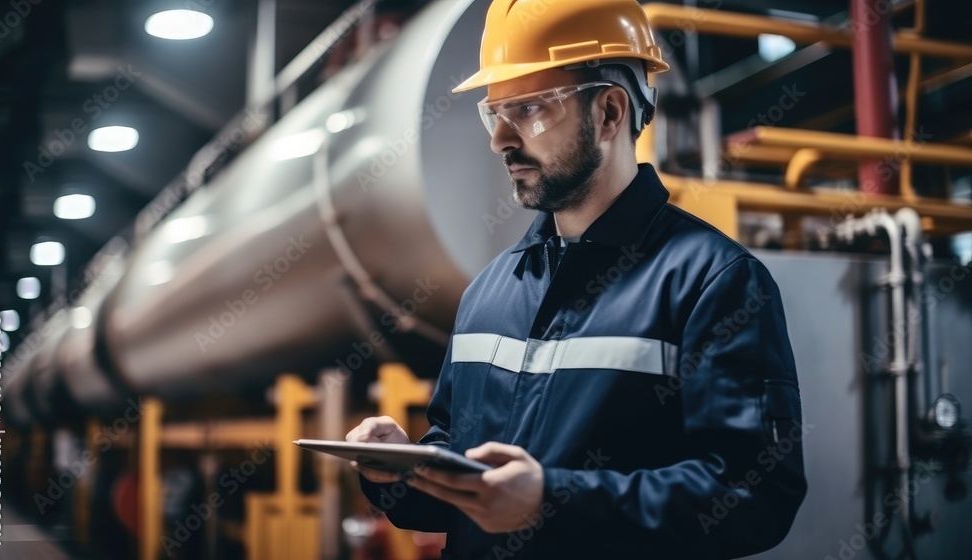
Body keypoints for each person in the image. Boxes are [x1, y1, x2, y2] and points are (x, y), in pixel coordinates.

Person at [346, 0, 807, 558]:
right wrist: (400, 471)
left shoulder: (713, 284)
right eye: (495, 113)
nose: (501, 140)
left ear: (610, 112)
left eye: (530, 109)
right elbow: (462, 484)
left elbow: (753, 497)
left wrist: (551, 501)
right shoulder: (491, 290)